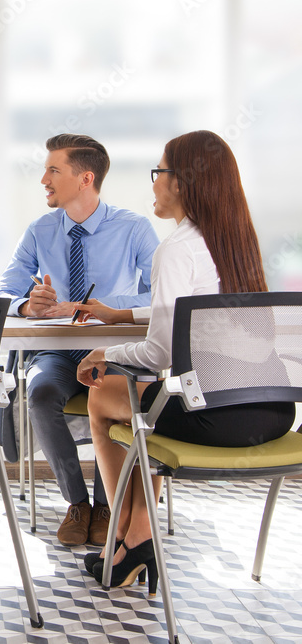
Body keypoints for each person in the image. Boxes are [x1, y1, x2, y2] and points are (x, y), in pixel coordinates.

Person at [75, 130, 295, 591]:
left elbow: (161, 352)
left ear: (182, 182)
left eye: (159, 173)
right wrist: (127, 314)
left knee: (103, 397)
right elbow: (200, 311)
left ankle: (125, 533)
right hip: (274, 412)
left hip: (217, 417)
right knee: (140, 408)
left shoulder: (175, 248)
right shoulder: (237, 240)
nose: (153, 184)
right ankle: (136, 535)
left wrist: (106, 352)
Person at [0, 133, 159, 547]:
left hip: (112, 351)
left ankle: (108, 504)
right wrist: (28, 306)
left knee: (120, 398)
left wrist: (95, 306)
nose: (43, 180)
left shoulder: (134, 228)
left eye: (53, 170)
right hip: (56, 351)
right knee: (42, 393)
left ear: (85, 178)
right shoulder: (39, 231)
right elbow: (3, 293)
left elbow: (159, 294)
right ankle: (78, 503)